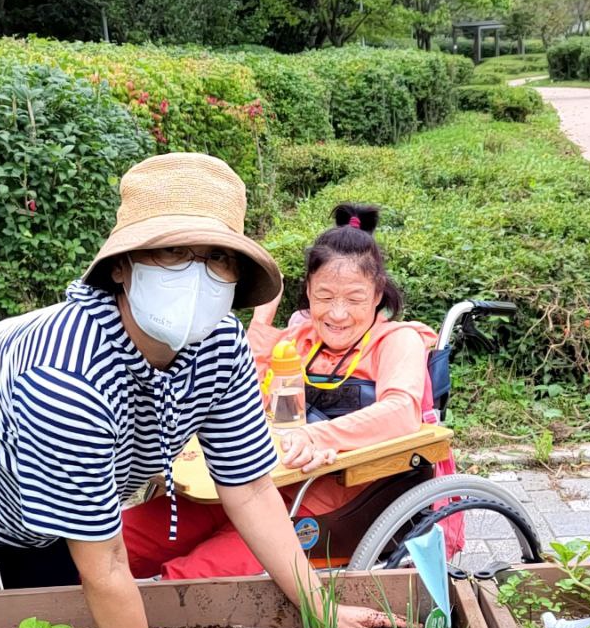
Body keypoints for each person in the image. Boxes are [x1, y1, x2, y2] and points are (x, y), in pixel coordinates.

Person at [0, 155, 400, 628]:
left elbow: (251, 487)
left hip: (34, 463)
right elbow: (105, 564)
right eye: (172, 253)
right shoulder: (68, 379)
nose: (196, 277)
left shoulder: (221, 346)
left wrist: (319, 606)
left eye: (217, 258)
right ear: (123, 267)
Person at [123, 202, 459, 580]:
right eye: (325, 296)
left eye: (354, 298)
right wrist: (264, 313)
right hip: (261, 481)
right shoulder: (301, 338)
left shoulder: (396, 341)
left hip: (333, 501)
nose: (337, 313)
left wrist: (312, 435)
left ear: (378, 294)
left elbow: (401, 412)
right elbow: (235, 388)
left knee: (193, 575)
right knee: (125, 542)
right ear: (308, 292)